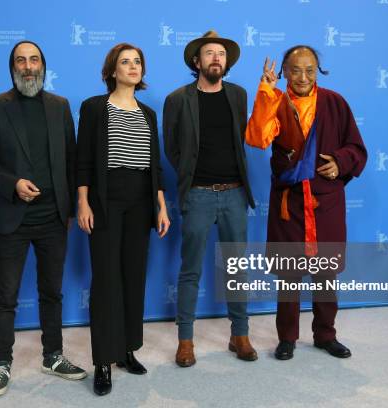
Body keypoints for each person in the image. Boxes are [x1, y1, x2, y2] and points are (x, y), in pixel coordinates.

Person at [0, 40, 86, 397]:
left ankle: (53, 356)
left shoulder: (60, 106)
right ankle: (1, 365)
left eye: (34, 59)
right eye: (21, 60)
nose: (28, 66)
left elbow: (71, 160)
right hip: (12, 218)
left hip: (53, 218)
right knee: (6, 296)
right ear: (12, 68)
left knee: (51, 293)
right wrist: (13, 184)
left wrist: (69, 210)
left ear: (43, 66)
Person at [245, 45, 367, 360]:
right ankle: (287, 338)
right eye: (296, 70)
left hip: (325, 201)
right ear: (284, 72)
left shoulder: (334, 103)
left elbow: (356, 147)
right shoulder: (275, 101)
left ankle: (326, 335)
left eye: (309, 69)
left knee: (326, 274)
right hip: (290, 202)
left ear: (318, 71)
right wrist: (265, 91)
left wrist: (340, 162)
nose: (303, 77)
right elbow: (257, 138)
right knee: (289, 275)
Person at [76, 43, 170, 396]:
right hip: (105, 199)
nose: (132, 67)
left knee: (133, 276)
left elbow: (155, 164)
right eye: (125, 62)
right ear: (112, 71)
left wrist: (161, 206)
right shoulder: (94, 108)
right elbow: (83, 159)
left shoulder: (148, 114)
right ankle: (102, 360)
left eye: (137, 62)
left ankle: (127, 350)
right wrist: (83, 202)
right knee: (106, 280)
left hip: (141, 201)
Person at [163, 30, 258, 368]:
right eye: (209, 53)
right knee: (190, 271)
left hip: (234, 194)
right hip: (198, 196)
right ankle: (185, 341)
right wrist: (192, 178)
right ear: (196, 61)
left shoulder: (239, 95)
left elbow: (249, 135)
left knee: (236, 268)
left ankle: (240, 335)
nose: (216, 58)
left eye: (221, 54)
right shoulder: (177, 99)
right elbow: (172, 149)